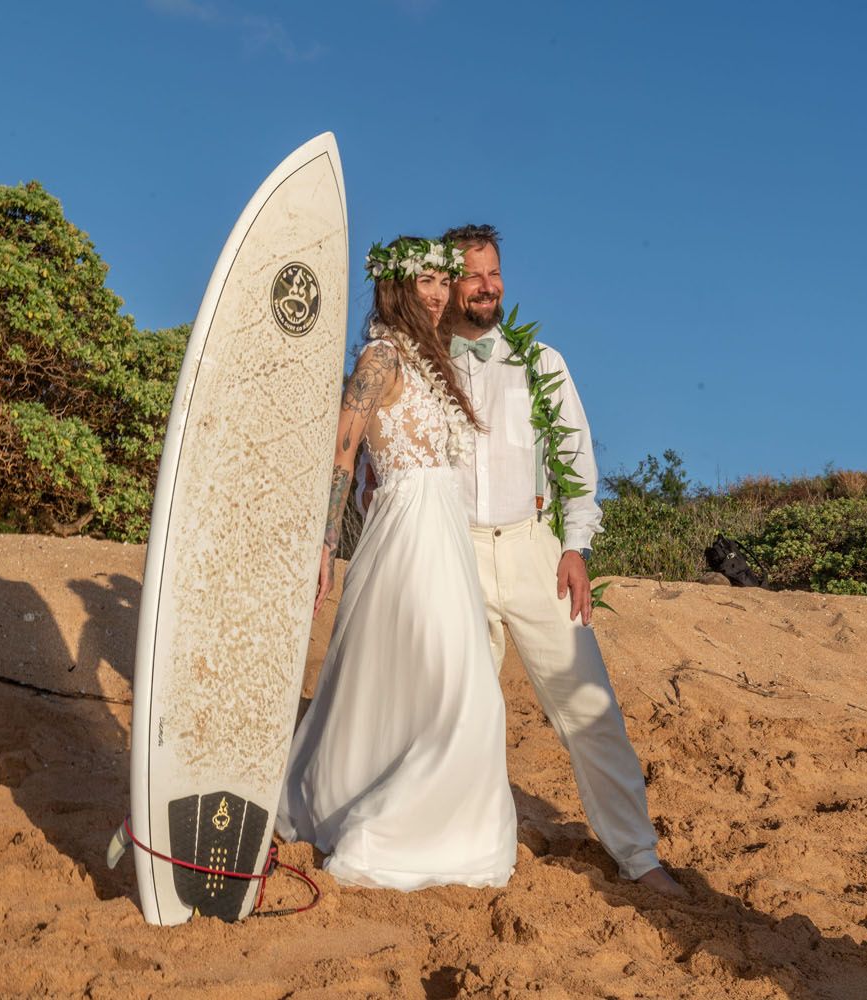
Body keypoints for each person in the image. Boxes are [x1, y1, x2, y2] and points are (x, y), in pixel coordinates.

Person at [436, 222, 686, 897]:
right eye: (473, 275)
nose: (487, 286)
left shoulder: (541, 363)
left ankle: (638, 855)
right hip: (454, 554)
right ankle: (461, 850)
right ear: (447, 285)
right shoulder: (424, 367)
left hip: (534, 550)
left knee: (588, 708)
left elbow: (576, 461)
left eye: (494, 273)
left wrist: (575, 547)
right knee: (459, 712)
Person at [275, 236, 517, 890]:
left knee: (421, 686)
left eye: (442, 281)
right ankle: (387, 832)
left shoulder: (427, 360)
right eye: (425, 281)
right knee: (462, 693)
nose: (438, 294)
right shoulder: (380, 357)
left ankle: (403, 812)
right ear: (395, 286)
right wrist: (326, 542)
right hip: (410, 535)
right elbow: (342, 450)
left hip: (442, 531)